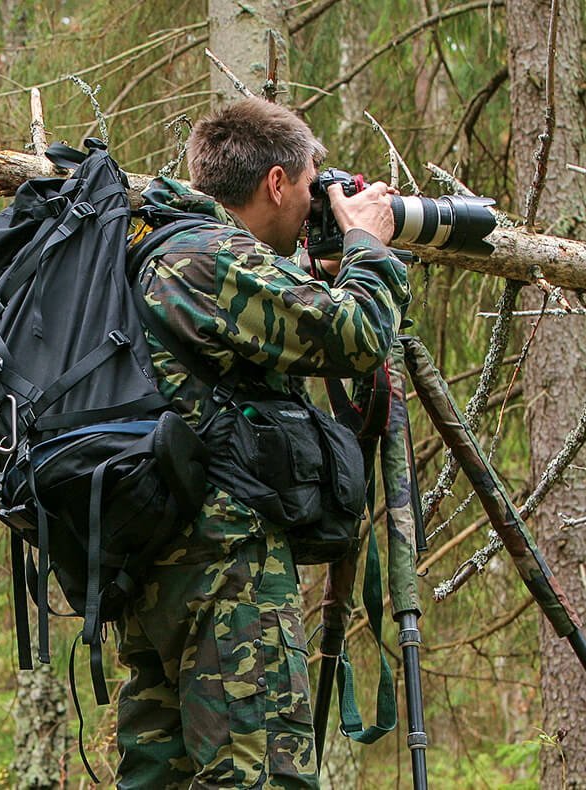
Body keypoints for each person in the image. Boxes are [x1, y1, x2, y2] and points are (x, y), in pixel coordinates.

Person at [115, 99, 412, 787]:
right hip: (228, 569)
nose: (316, 200)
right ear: (276, 184)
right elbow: (361, 337)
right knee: (262, 775)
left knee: (166, 776)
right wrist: (370, 243)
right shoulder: (215, 257)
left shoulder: (154, 247)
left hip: (155, 561)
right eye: (311, 185)